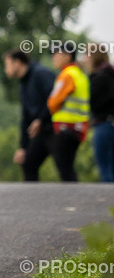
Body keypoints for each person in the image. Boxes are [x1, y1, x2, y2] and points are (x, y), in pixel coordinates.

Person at [4, 49, 57, 181]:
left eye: (7, 65)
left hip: (56, 128)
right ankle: (33, 200)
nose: (6, 69)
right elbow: (26, 118)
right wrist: (23, 147)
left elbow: (54, 98)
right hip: (43, 130)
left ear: (17, 63)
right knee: (28, 163)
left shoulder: (40, 74)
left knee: (64, 168)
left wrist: (41, 119)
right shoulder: (23, 85)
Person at [45, 43, 90, 182]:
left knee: (65, 169)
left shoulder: (67, 75)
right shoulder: (80, 74)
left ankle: (73, 199)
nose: (53, 57)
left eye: (56, 53)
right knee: (68, 168)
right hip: (78, 128)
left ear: (67, 56)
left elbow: (52, 103)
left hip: (66, 128)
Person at [85, 49, 114, 182]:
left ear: (93, 57)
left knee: (105, 168)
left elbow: (92, 103)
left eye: (86, 55)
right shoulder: (111, 74)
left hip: (104, 125)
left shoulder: (99, 77)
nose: (85, 59)